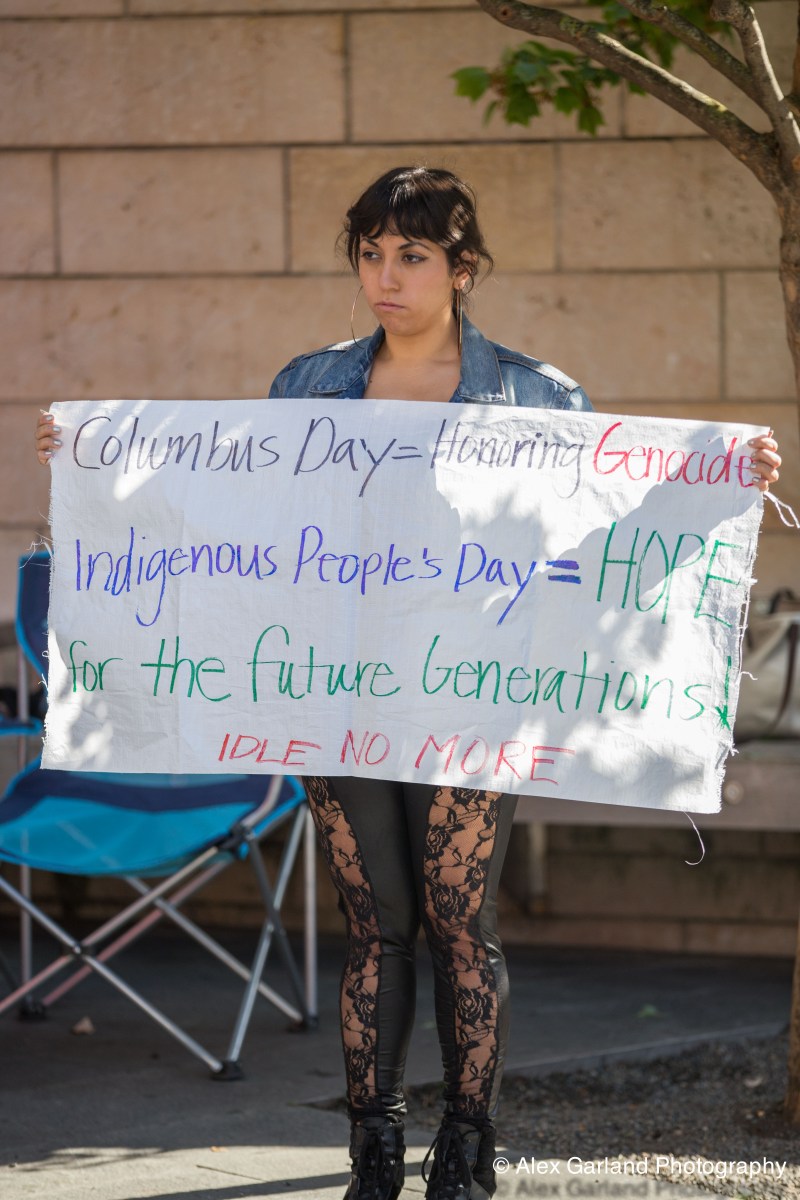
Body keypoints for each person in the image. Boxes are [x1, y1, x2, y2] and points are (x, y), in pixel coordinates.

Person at [35, 166, 782, 1200]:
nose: (386, 276)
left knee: (460, 922)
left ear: (461, 268)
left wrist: (714, 485)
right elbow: (231, 515)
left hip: (473, 694)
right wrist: (95, 462)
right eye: (371, 253)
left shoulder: (536, 394)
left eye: (412, 255)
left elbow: (602, 539)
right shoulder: (309, 386)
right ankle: (374, 1153)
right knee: (375, 925)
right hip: (335, 688)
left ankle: (467, 1152)